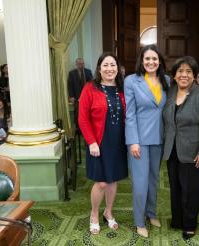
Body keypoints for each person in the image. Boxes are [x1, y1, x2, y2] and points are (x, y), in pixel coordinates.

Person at [162, 56, 199, 240]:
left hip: (194, 152)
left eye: (188, 72)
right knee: (175, 187)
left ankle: (190, 224)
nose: (184, 75)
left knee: (191, 190)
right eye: (180, 71)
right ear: (174, 75)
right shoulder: (170, 92)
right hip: (172, 150)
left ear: (194, 76)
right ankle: (178, 220)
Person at [78, 53, 128, 235]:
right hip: (98, 143)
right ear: (99, 68)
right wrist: (91, 142)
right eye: (105, 65)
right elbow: (83, 119)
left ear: (117, 68)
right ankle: (94, 214)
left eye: (112, 65)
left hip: (118, 142)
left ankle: (108, 211)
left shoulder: (123, 88)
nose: (109, 69)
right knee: (101, 183)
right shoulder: (90, 88)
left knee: (113, 180)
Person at [124, 44, 169, 238]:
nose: (151, 62)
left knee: (153, 180)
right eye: (147, 59)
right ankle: (139, 221)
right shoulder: (132, 81)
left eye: (155, 59)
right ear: (142, 61)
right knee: (140, 183)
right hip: (139, 141)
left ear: (160, 61)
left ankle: (151, 213)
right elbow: (130, 114)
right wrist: (133, 141)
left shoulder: (167, 80)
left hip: (159, 139)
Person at [68, 58, 93, 130]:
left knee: (88, 112)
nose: (81, 65)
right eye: (79, 64)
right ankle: (78, 128)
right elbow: (70, 85)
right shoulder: (72, 73)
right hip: (76, 96)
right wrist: (71, 96)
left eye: (82, 64)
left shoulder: (88, 72)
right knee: (78, 113)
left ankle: (88, 127)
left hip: (87, 96)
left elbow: (91, 84)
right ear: (76, 64)